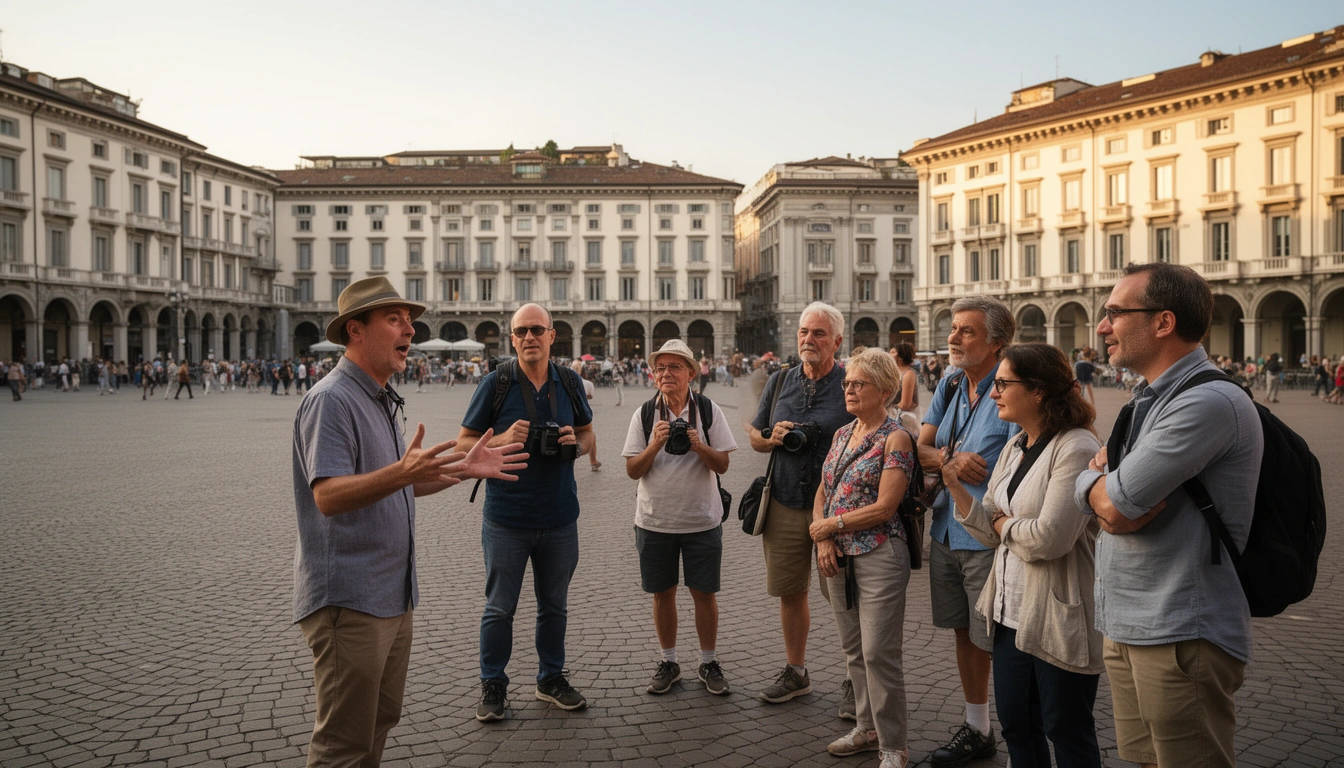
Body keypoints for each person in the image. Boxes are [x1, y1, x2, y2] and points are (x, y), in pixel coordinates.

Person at [292, 276, 526, 768]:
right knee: (342, 744)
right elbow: (328, 496)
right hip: (349, 599)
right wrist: (402, 471)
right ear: (356, 329)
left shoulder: (380, 397)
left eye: (410, 321)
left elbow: (403, 481)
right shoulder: (331, 399)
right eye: (395, 320)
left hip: (392, 595)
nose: (410, 331)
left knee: (378, 722)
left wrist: (463, 469)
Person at [1075, 263, 1262, 768]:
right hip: (1128, 622)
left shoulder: (1208, 401)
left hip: (1181, 630)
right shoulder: (1146, 400)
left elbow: (1115, 505)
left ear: (1163, 323)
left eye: (1115, 312)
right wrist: (1096, 481)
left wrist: (1096, 482)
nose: (1102, 326)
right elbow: (1104, 496)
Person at [943, 343, 1104, 768]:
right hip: (1008, 613)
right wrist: (958, 490)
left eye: (1002, 383)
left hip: (1056, 613)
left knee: (1066, 730)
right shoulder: (1016, 444)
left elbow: (1050, 539)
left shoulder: (1076, 446)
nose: (993, 392)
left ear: (1037, 390)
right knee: (1017, 726)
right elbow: (993, 526)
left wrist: (1001, 524)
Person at [458, 303, 597, 722]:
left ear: (553, 335)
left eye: (537, 329)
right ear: (512, 339)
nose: (529, 337)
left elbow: (590, 435)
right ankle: (493, 684)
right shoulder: (496, 383)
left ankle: (550, 678)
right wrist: (501, 438)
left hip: (560, 517)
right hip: (507, 518)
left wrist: (577, 441)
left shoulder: (569, 381)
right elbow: (463, 445)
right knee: (500, 607)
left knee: (554, 606)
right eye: (521, 332)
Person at [919, 295, 1019, 767]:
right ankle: (978, 725)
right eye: (954, 328)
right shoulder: (953, 381)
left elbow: (1034, 448)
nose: (954, 338)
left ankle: (1021, 729)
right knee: (963, 630)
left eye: (966, 331)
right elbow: (921, 445)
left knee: (996, 636)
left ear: (997, 343)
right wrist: (949, 460)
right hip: (945, 526)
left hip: (988, 534)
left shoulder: (1015, 385)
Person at [810, 348, 917, 768]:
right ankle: (866, 727)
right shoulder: (842, 434)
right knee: (853, 650)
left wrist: (830, 527)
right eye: (847, 383)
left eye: (859, 384)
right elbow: (823, 490)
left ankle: (894, 744)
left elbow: (886, 507)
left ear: (885, 390)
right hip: (837, 556)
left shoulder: (898, 438)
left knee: (878, 653)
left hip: (879, 554)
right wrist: (822, 538)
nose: (849, 389)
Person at [749, 302, 853, 706]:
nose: (809, 340)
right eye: (804, 333)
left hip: (838, 509)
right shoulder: (780, 382)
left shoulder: (850, 384)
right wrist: (772, 436)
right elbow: (757, 439)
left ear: (837, 342)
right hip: (786, 500)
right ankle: (796, 672)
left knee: (843, 595)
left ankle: (853, 678)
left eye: (819, 334)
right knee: (791, 592)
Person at [623, 339, 737, 696]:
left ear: (691, 372)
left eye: (674, 367)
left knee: (704, 594)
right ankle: (669, 660)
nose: (666, 373)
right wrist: (655, 445)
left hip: (702, 519)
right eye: (660, 368)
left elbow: (723, 465)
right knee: (662, 594)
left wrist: (700, 444)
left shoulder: (707, 410)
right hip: (654, 520)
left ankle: (708, 661)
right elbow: (632, 470)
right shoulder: (643, 414)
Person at [889, 342, 920, 435]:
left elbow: (905, 404)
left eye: (893, 352)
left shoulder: (908, 374)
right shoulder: (895, 372)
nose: (889, 354)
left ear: (901, 356)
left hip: (904, 422)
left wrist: (889, 406)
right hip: (894, 418)